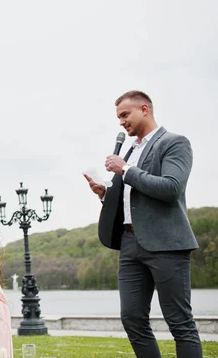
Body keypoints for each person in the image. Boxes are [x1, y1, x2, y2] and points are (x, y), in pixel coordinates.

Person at [84, 90, 202, 358]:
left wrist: (125, 169)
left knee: (180, 323)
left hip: (167, 244)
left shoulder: (174, 143)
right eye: (118, 117)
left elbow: (171, 188)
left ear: (145, 109)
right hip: (129, 244)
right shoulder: (130, 151)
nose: (121, 122)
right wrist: (104, 193)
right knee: (132, 319)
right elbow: (132, 198)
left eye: (125, 115)